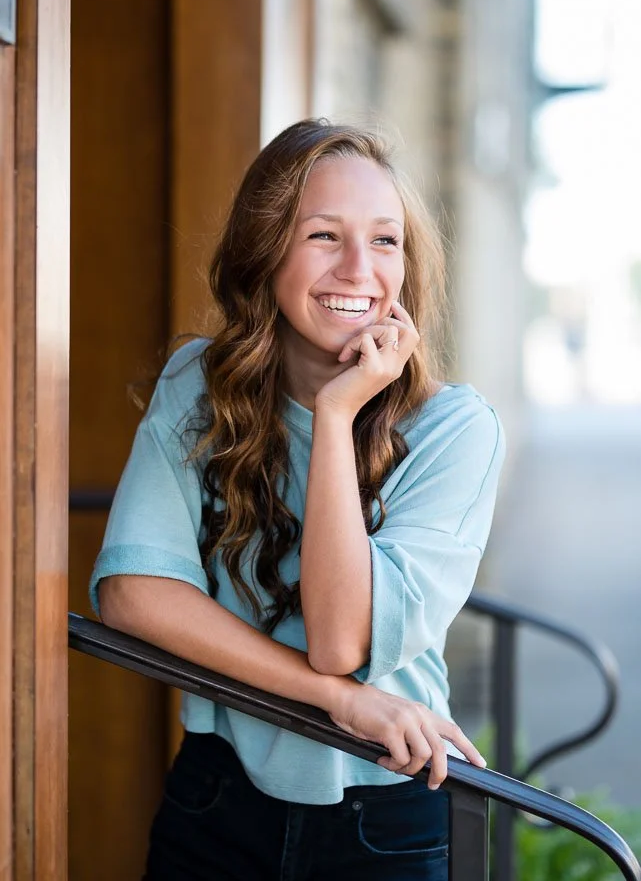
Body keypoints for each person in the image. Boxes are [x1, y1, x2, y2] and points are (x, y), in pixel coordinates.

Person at [90, 118, 505, 880]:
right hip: (217, 795)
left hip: (385, 805)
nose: (358, 269)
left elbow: (341, 642)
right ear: (266, 249)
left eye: (383, 241)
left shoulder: (455, 429)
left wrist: (336, 415)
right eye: (323, 236)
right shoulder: (199, 385)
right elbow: (132, 594)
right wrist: (336, 700)